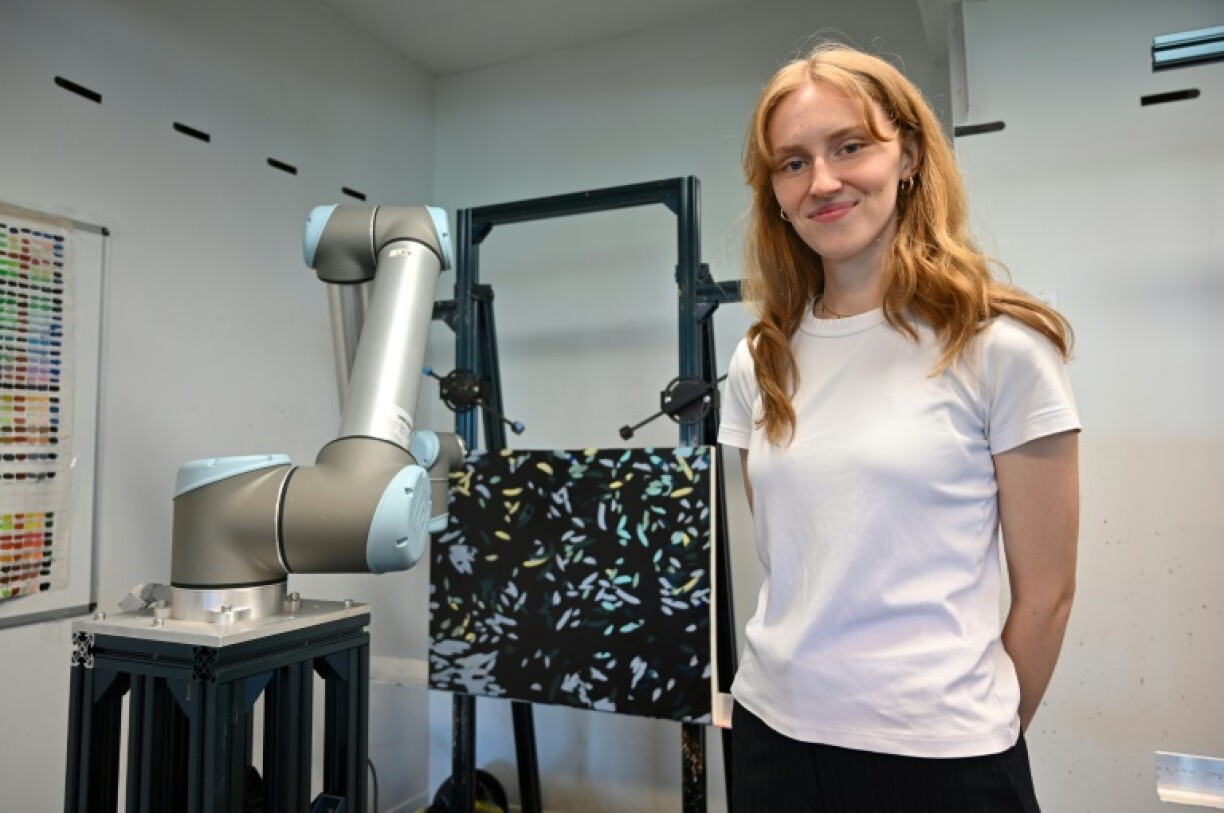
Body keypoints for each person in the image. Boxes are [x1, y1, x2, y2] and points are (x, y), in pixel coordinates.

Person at [718, 42, 1080, 812]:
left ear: (909, 153)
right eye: (792, 163)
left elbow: (1045, 596)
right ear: (773, 192)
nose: (823, 181)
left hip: (940, 756)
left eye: (850, 146)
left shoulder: (1000, 348)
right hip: (771, 734)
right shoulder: (759, 358)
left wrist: (976, 728)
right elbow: (795, 556)